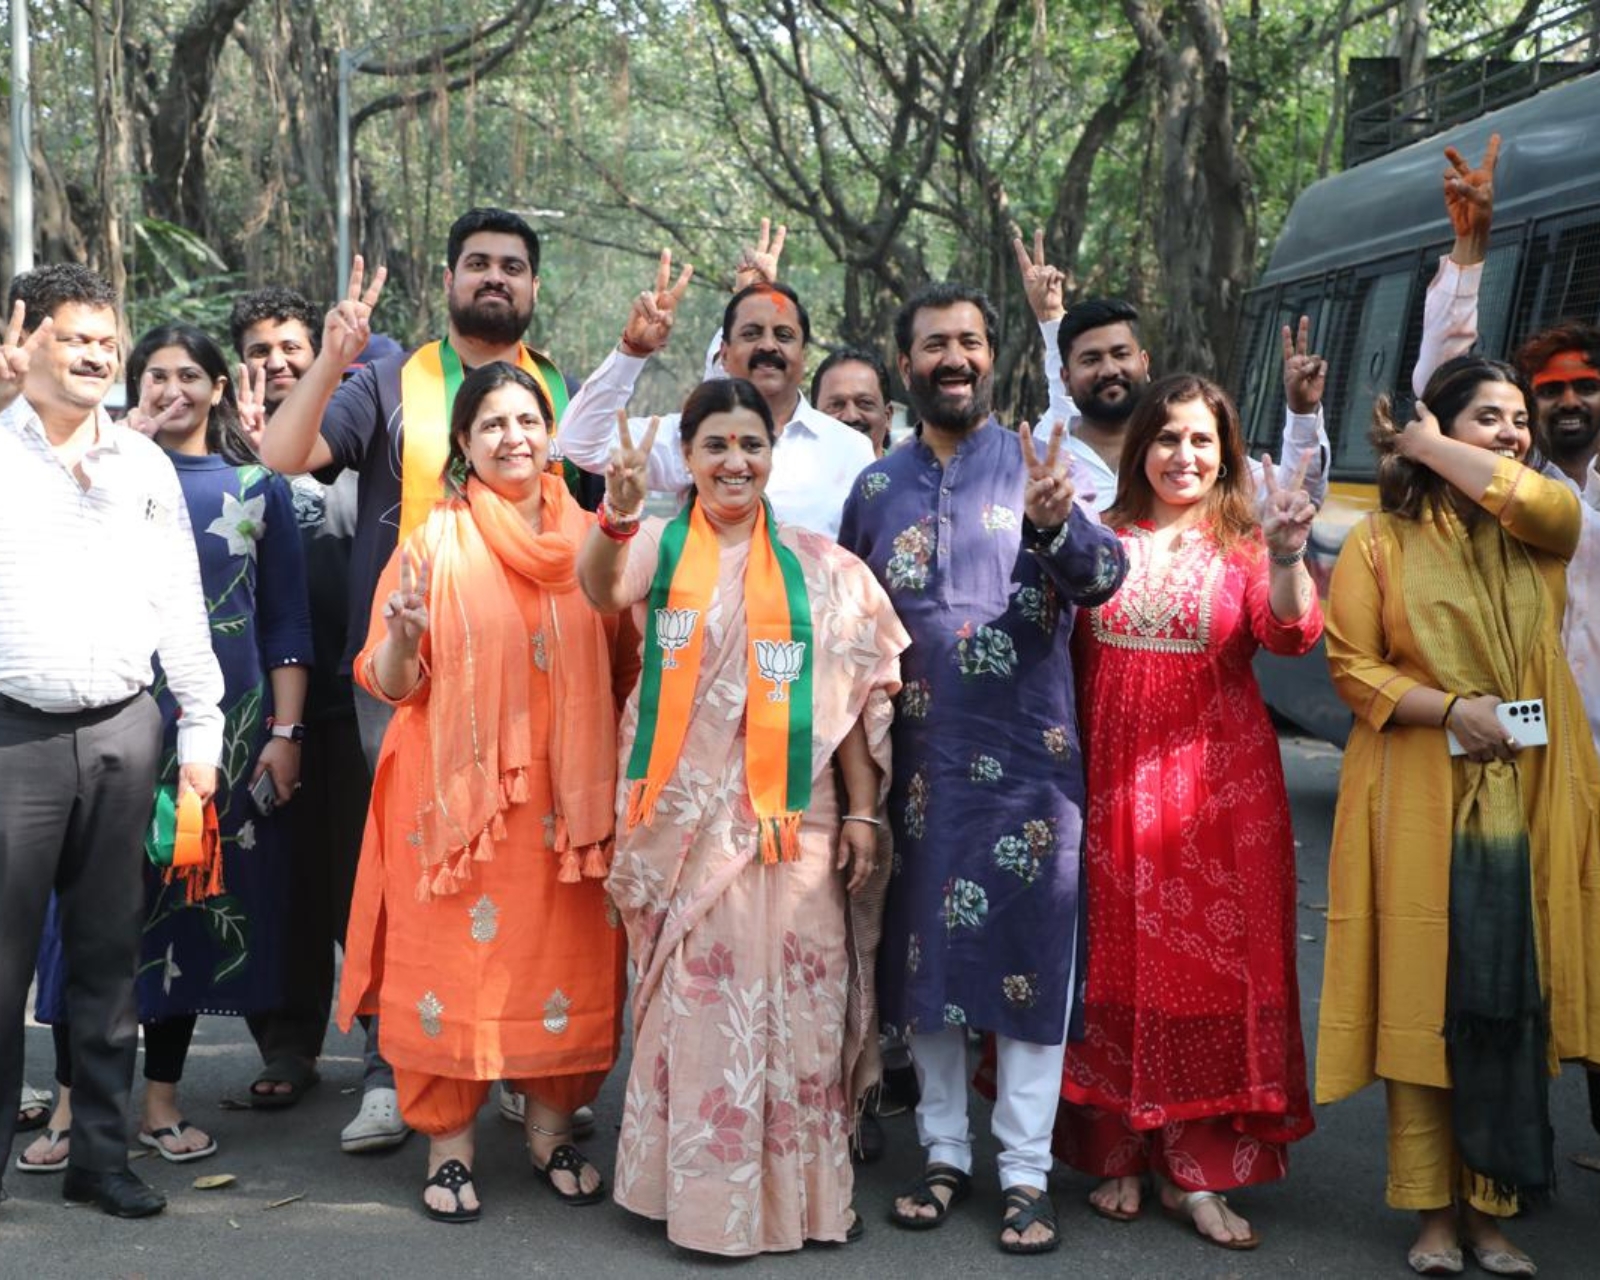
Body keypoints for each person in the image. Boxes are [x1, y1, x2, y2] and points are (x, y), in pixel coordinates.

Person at [260, 206, 572, 1152]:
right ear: (448, 281)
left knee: (521, 875)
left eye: (512, 267)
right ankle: (397, 1069)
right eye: (476, 264)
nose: (494, 279)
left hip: (530, 688)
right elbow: (282, 457)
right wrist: (332, 358)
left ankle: (513, 1059)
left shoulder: (550, 390)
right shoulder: (394, 383)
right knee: (407, 873)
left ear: (532, 287)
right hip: (404, 678)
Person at [580, 377, 908, 1254]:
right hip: (680, 824)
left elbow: (846, 705)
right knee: (697, 1004)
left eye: (750, 445)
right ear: (686, 459)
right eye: (715, 445)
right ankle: (692, 1196)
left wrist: (866, 816)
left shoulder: (822, 566)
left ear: (771, 456)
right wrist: (612, 517)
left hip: (794, 825)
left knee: (797, 1007)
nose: (735, 461)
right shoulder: (657, 544)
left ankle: (798, 1202)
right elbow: (603, 590)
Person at [838, 282, 1128, 1254]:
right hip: (916, 772)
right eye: (932, 344)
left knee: (1030, 966)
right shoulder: (874, 488)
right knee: (924, 959)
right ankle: (943, 1152)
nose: (952, 357)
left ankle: (1025, 1173)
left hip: (1030, 771)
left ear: (992, 356)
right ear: (905, 362)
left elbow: (1103, 579)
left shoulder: (1048, 461)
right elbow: (842, 628)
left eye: (967, 341)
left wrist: (1055, 525)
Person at [1317, 355, 1600, 1277]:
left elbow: (1545, 501)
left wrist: (1433, 443)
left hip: (1527, 789)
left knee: (1507, 995)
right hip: (1418, 785)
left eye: (1519, 418)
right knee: (1424, 996)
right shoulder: (1379, 543)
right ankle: (1433, 1213)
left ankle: (1492, 1210)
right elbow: (1354, 668)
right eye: (1492, 417)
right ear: (1442, 429)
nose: (1516, 432)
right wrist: (1451, 711)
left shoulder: (1546, 529)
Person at [337, 362, 634, 1223]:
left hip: (569, 810)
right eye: (492, 424)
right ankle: (450, 1145)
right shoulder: (431, 542)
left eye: (528, 420)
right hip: (454, 812)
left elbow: (624, 668)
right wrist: (403, 638)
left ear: (552, 434)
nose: (514, 436)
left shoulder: (592, 537)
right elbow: (390, 682)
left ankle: (549, 1131)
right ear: (462, 446)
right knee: (455, 970)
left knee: (564, 967)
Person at [1048, 374, 1322, 1251]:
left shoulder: (1247, 545)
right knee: (1115, 969)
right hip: (1109, 793)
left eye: (1203, 441)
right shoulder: (1100, 541)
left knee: (1209, 978)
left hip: (1217, 802)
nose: (1185, 456)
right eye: (1168, 438)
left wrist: (1285, 555)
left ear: (1227, 453)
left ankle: (1199, 1169)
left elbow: (1289, 636)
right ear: (1141, 451)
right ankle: (1119, 1148)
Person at [29, 323, 311, 1168]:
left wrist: (286, 734)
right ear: (131, 383)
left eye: (191, 374)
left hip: (216, 735)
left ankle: (159, 1104)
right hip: (101, 725)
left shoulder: (261, 488)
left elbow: (286, 622)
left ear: (220, 388)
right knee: (84, 916)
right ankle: (73, 1107)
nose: (173, 388)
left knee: (182, 913)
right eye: (156, 374)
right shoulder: (85, 476)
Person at [0, 266, 222, 1218]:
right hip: (13, 738)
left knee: (105, 960)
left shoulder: (144, 465)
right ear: (25, 337)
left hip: (127, 733)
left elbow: (181, 604)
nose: (95, 355)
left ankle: (98, 1155)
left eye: (105, 338)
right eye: (72, 337)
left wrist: (203, 729)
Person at [1411, 133, 1600, 1172]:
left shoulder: (1564, 509)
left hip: (1590, 759)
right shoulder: (1501, 501)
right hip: (1510, 754)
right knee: (1514, 953)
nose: (1562, 407)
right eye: (1541, 396)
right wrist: (1469, 257)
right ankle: (1504, 1161)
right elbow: (1449, 392)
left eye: (1582, 389)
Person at [225, 287, 369, 1111]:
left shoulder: (354, 435)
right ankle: (287, 1043)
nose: (275, 363)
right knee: (276, 878)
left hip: (349, 698)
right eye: (258, 351)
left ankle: (392, 1047)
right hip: (258, 702)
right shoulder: (216, 446)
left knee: (356, 875)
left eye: (290, 348)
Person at [557, 241, 875, 536]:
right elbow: (580, 443)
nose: (768, 345)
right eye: (751, 334)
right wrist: (632, 351)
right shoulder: (688, 437)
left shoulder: (850, 449)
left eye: (784, 335)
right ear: (723, 354)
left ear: (803, 355)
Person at [1011, 229, 1331, 511]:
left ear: (1145, 364)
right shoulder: (1049, 447)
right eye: (1091, 360)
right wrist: (1050, 317)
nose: (1109, 369)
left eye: (1121, 354)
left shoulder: (1188, 449)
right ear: (1067, 377)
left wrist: (1303, 412)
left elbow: (1295, 497)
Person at [812, 346, 893, 454]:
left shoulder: (908, 471)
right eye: (836, 405)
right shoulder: (791, 470)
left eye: (864, 403)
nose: (851, 417)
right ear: (812, 419)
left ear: (887, 417)